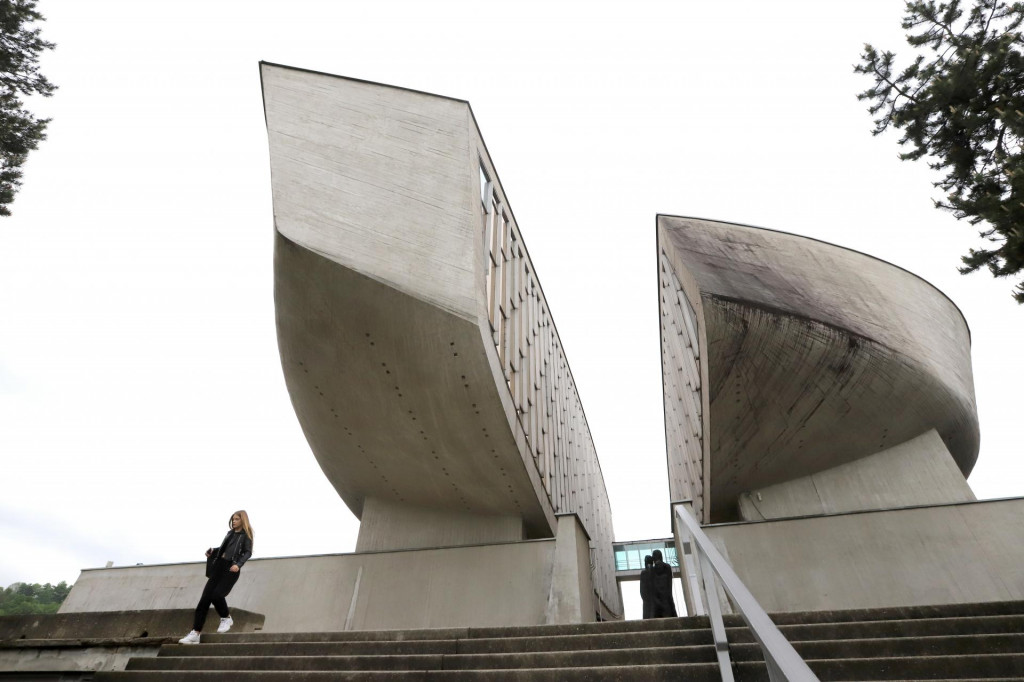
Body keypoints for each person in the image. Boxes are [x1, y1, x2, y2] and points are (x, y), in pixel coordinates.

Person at [178, 510, 254, 644]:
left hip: (231, 568)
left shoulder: (246, 535)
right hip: (219, 566)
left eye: (236, 519)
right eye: (233, 519)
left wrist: (239, 564)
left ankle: (226, 618)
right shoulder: (230, 533)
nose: (234, 521)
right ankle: (195, 633)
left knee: (217, 595)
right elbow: (224, 549)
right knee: (204, 601)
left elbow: (248, 552)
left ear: (243, 520)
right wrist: (214, 550)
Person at [649, 549, 677, 618]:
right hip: (665, 596)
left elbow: (651, 585)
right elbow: (669, 584)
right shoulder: (666, 567)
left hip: (657, 597)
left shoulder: (652, 569)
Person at [639, 554, 654, 619]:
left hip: (647, 598)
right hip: (653, 598)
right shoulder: (655, 570)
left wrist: (644, 597)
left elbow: (642, 588)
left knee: (647, 615)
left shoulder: (644, 572)